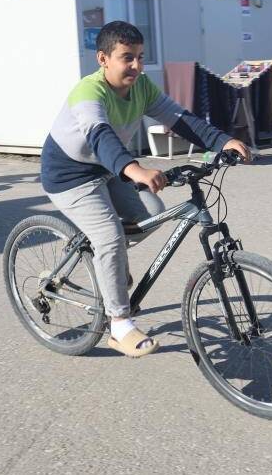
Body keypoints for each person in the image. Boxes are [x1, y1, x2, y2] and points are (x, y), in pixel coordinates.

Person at [41, 20, 251, 357]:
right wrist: (133, 168)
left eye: (140, 57)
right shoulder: (88, 92)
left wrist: (222, 140)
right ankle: (119, 324)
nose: (137, 66)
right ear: (103, 59)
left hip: (107, 168)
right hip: (69, 174)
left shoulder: (142, 87)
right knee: (109, 235)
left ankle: (105, 262)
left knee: (153, 212)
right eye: (127, 58)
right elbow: (100, 135)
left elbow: (179, 118)